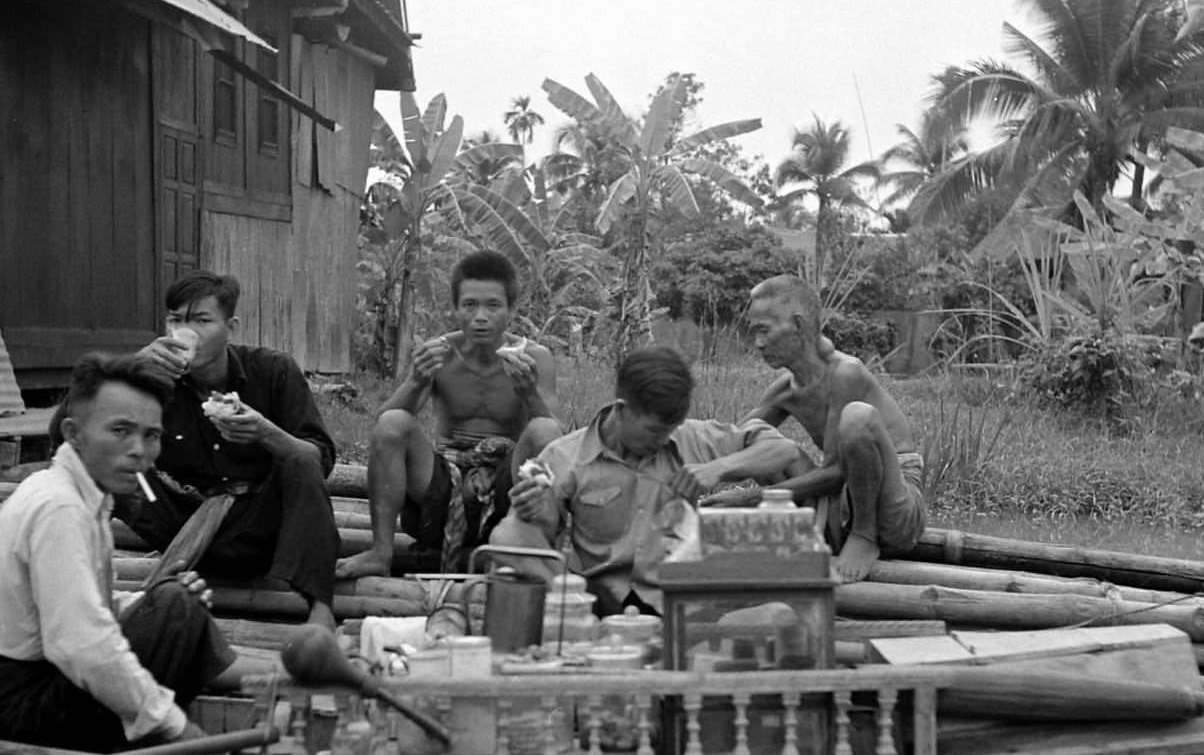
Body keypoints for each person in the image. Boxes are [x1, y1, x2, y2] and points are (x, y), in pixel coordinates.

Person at [0, 354, 249, 752]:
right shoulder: (59, 507)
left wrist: (152, 605)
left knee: (174, 600)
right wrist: (176, 728)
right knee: (172, 607)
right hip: (21, 706)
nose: (139, 450)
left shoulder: (84, 497)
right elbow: (82, 644)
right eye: (120, 430)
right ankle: (142, 750)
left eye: (151, 435)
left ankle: (261, 676)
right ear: (73, 433)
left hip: (43, 683)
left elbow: (82, 604)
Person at [492, 345, 808, 615]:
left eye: (670, 430)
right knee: (507, 534)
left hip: (680, 595)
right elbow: (526, 536)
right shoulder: (564, 457)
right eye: (654, 431)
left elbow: (783, 449)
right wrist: (539, 512)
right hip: (597, 600)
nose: (663, 440)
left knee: (777, 607)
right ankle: (574, 615)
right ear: (622, 410)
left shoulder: (689, 439)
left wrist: (719, 468)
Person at [122, 270, 340, 629]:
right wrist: (130, 369)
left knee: (299, 456)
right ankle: (84, 580)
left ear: (231, 326)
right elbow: (73, 430)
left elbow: (320, 458)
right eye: (175, 320)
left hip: (258, 526)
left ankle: (319, 607)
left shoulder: (273, 371)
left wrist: (268, 434)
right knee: (115, 460)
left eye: (201, 320)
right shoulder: (151, 379)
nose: (184, 333)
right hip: (182, 524)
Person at [335, 249, 562, 578]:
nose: (480, 317)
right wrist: (416, 379)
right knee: (393, 422)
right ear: (455, 309)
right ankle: (380, 552)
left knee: (543, 429)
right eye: (469, 305)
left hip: (506, 494)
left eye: (492, 306)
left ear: (511, 310)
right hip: (442, 490)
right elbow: (384, 427)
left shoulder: (536, 358)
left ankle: (532, 548)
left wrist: (529, 393)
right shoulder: (440, 353)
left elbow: (558, 437)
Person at [742, 273, 926, 582]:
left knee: (857, 418)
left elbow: (836, 471)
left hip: (894, 509)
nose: (758, 344)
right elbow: (730, 440)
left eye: (765, 331)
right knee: (752, 435)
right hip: (841, 502)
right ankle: (803, 527)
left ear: (797, 326)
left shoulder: (846, 372)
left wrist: (753, 497)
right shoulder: (784, 390)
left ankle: (864, 536)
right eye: (754, 333)